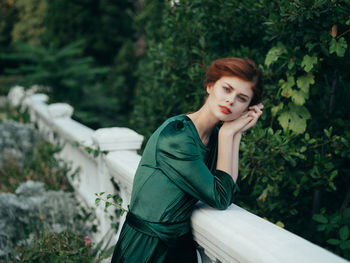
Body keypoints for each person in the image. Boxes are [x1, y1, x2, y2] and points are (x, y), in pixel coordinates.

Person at [111, 57, 264, 263]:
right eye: (227, 89)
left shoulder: (216, 136)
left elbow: (228, 192)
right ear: (210, 86)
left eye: (242, 98)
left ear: (246, 109)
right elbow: (220, 197)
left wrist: (233, 134)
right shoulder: (177, 136)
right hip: (145, 249)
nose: (231, 100)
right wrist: (229, 135)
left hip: (179, 247)